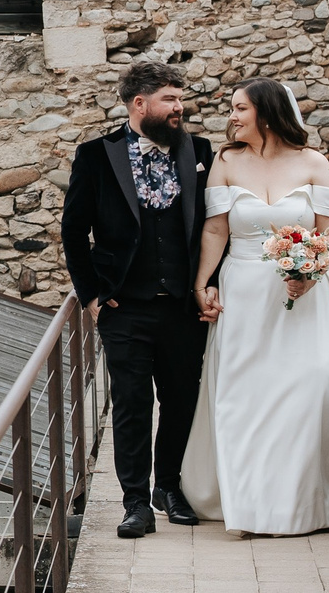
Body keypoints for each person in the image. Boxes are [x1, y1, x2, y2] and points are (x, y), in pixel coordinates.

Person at [179, 79, 329, 534]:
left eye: (240, 109)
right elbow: (215, 231)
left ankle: (303, 501)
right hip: (244, 293)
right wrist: (202, 283)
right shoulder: (225, 161)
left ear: (266, 112)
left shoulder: (314, 162)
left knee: (312, 385)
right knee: (247, 398)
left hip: (309, 295)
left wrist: (308, 271)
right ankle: (253, 505)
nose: (232, 118)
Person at [51, 61, 214, 539]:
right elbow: (73, 230)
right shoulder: (96, 155)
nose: (179, 107)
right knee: (131, 402)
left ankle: (169, 488)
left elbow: (214, 227)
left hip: (184, 306)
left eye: (180, 99)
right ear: (139, 104)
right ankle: (136, 503)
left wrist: (211, 282)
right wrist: (92, 296)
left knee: (182, 399)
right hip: (124, 307)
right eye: (170, 99)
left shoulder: (200, 151)